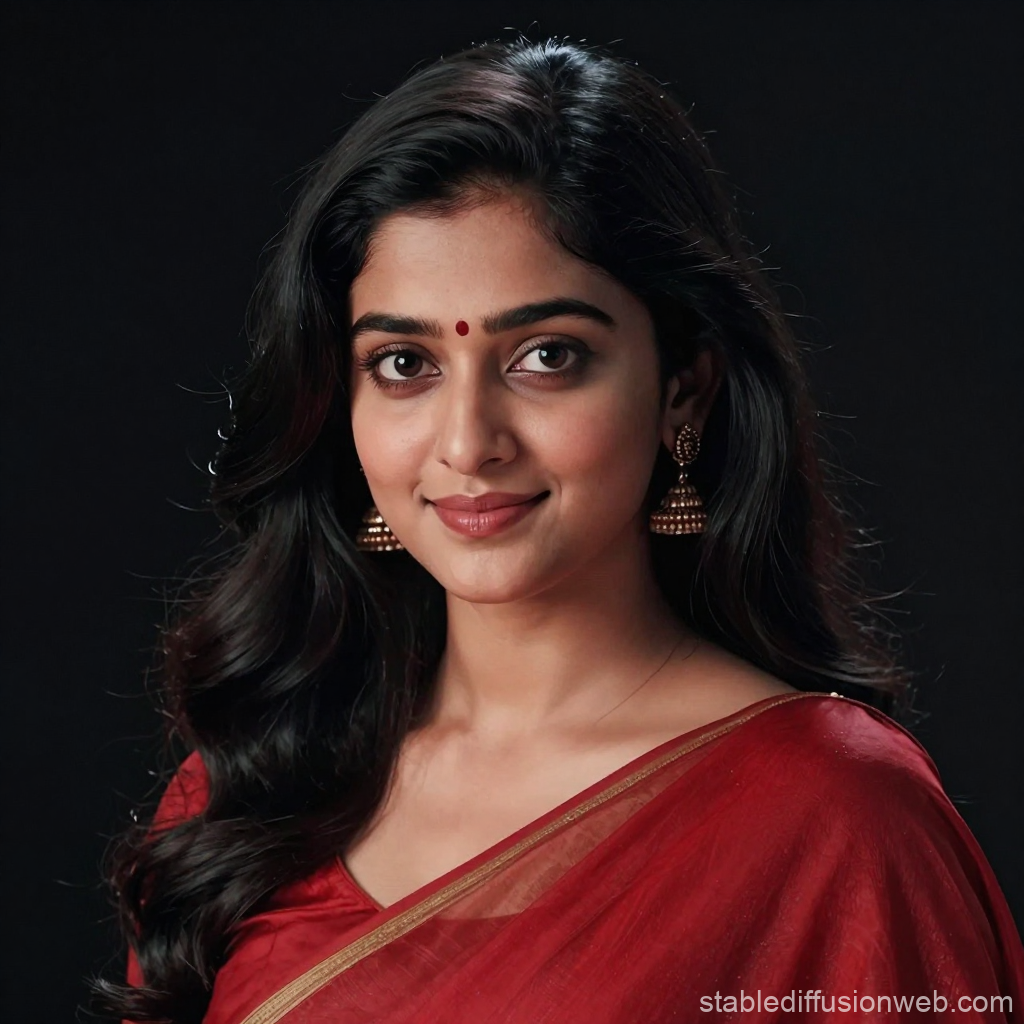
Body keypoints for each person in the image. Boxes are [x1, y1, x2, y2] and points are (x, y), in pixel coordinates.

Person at [93, 37, 1023, 1024]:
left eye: (546, 355)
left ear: (682, 387)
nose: (466, 443)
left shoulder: (834, 817)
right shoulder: (252, 789)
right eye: (404, 365)